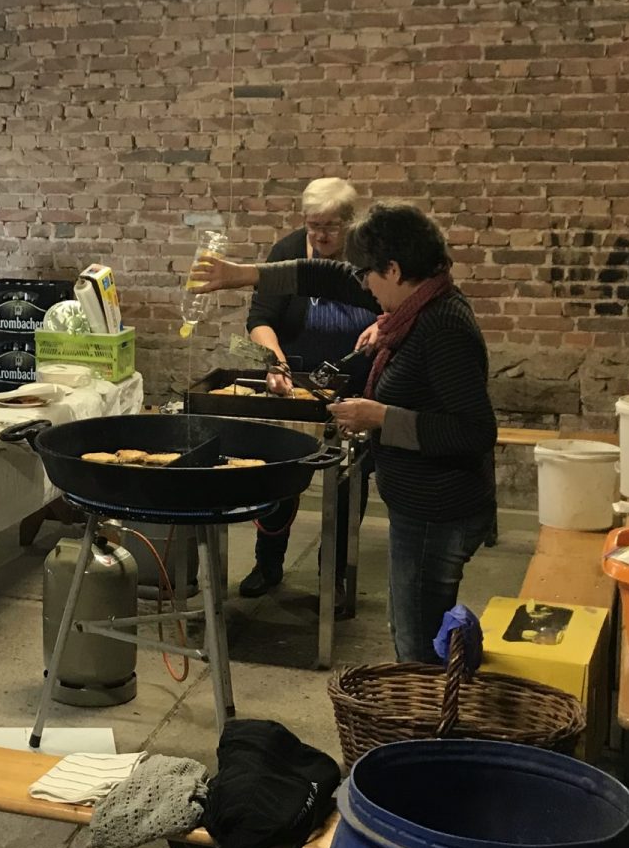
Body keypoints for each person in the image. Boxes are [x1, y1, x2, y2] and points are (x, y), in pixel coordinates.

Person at [193, 202, 497, 663]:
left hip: (438, 511)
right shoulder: (417, 306)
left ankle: (428, 706)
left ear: (393, 270)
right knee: (414, 629)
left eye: (368, 275)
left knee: (417, 644)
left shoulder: (441, 326)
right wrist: (243, 275)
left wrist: (381, 417)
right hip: (424, 507)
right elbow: (329, 277)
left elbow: (475, 431)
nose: (364, 287)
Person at [241, 177, 378, 597]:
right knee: (281, 470)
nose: (319, 236)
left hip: (357, 383)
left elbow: (396, 307)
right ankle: (268, 562)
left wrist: (385, 325)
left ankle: (332, 575)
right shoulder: (287, 252)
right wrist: (275, 361)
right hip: (296, 383)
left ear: (350, 223)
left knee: (349, 480)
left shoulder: (371, 255)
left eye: (330, 227)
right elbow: (260, 319)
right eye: (312, 225)